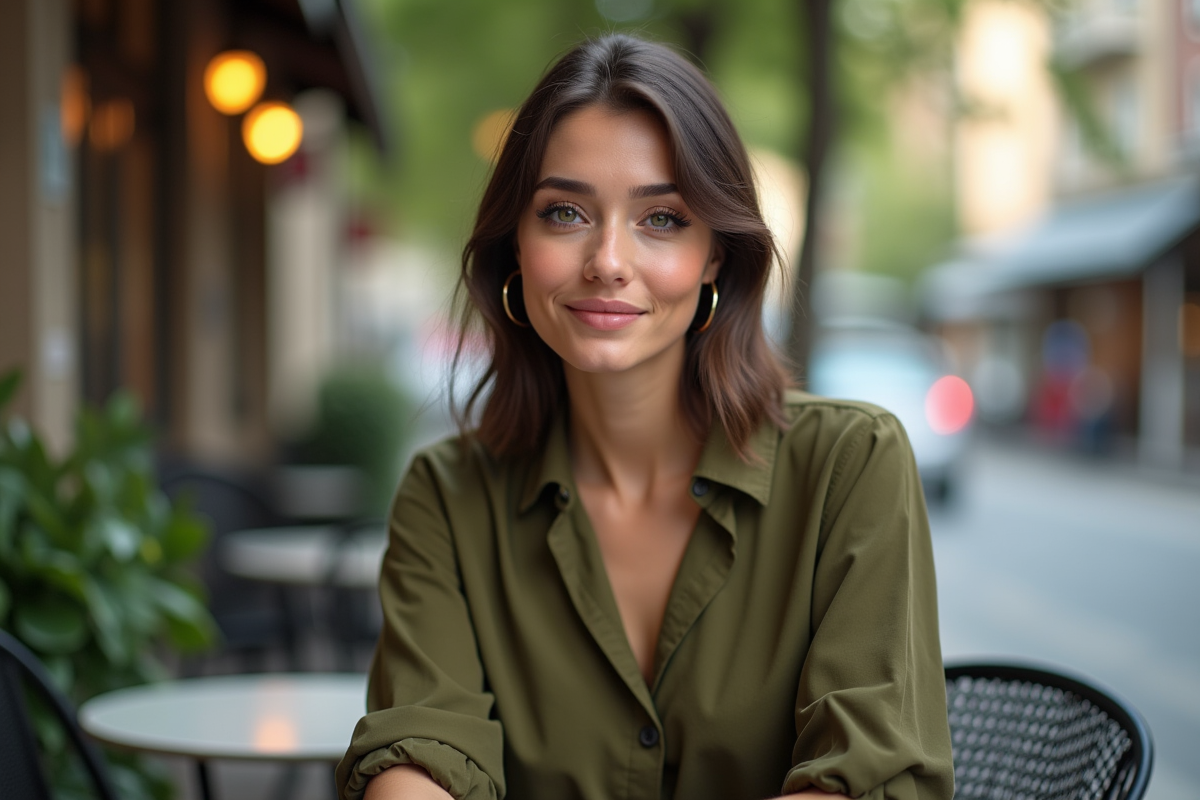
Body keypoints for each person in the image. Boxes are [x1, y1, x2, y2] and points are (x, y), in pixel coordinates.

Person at [337, 33, 953, 800]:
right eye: (564, 212)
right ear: (516, 249)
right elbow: (416, 754)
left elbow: (869, 776)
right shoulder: (447, 495)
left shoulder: (851, 467)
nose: (608, 260)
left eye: (661, 219)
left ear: (715, 258)